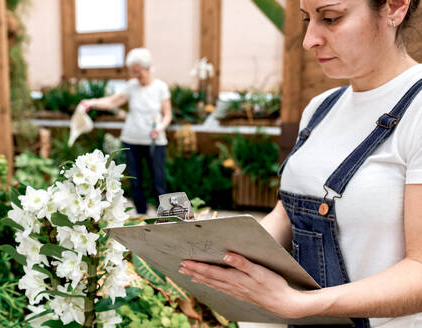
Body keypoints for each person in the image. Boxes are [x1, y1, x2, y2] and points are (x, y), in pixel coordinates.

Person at [178, 0, 422, 327]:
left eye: (331, 18)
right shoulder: (321, 108)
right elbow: (290, 212)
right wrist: (222, 257)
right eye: (307, 19)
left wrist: (300, 303)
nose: (309, 40)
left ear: (394, 7)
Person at [80, 48, 172, 215]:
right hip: (131, 139)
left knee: (158, 181)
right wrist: (91, 102)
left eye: (138, 72)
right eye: (133, 72)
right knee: (135, 182)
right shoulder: (131, 87)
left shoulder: (160, 87)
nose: (136, 75)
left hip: (155, 142)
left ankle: (165, 216)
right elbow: (112, 102)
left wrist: (160, 127)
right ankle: (141, 215)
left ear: (148, 67)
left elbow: (168, 115)